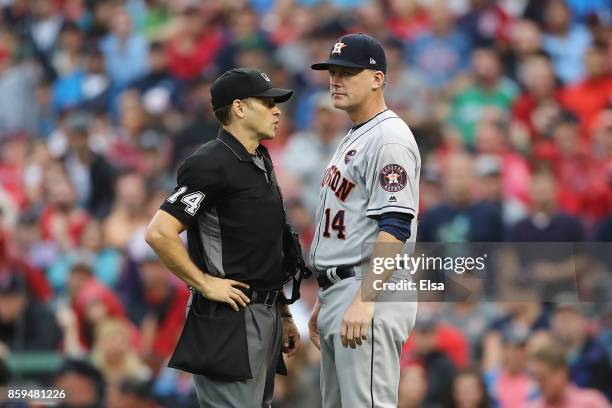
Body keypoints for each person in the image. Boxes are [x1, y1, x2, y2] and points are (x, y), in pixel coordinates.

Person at [145, 67, 301, 407]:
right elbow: (159, 232)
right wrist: (203, 282)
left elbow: (264, 246)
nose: (277, 110)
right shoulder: (209, 163)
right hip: (228, 318)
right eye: (268, 102)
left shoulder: (258, 157)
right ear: (240, 108)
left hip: (265, 312)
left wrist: (283, 313)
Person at [308, 33, 420, 407]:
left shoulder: (388, 136)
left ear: (377, 78)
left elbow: (396, 226)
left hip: (369, 288)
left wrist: (364, 299)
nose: (335, 80)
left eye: (348, 72)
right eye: (333, 72)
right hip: (343, 289)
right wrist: (326, 297)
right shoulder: (356, 135)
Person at [528, 346, 610, 408]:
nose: (540, 384)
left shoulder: (591, 402)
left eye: (544, 377)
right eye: (537, 378)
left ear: (562, 372)